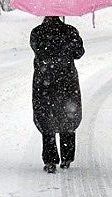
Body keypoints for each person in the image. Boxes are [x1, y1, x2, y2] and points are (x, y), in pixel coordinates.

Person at [30, 16, 85, 173]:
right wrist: (67, 40)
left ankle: (50, 159)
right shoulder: (70, 31)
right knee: (67, 115)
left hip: (44, 81)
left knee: (46, 116)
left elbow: (38, 51)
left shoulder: (36, 33)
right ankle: (67, 157)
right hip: (66, 81)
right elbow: (79, 53)